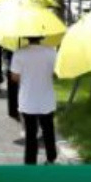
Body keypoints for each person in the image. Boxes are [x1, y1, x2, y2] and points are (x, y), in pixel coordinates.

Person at [11, 37, 58, 165]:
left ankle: (30, 162)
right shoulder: (51, 52)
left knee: (31, 133)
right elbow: (56, 73)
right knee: (48, 129)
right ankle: (51, 158)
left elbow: (14, 77)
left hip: (28, 99)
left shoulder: (19, 53)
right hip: (46, 98)